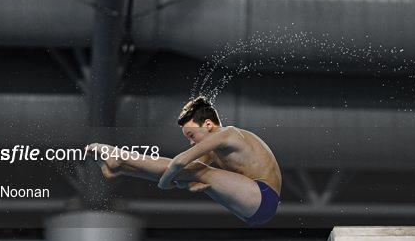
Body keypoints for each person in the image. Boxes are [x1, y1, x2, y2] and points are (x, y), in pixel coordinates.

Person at [87, 96, 282, 226]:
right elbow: (183, 171)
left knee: (194, 170)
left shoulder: (227, 134)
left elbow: (180, 162)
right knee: (193, 171)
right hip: (253, 208)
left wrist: (164, 184)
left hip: (264, 197)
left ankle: (119, 157)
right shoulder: (216, 150)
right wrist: (186, 182)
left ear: (207, 124)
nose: (191, 142)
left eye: (191, 135)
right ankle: (120, 166)